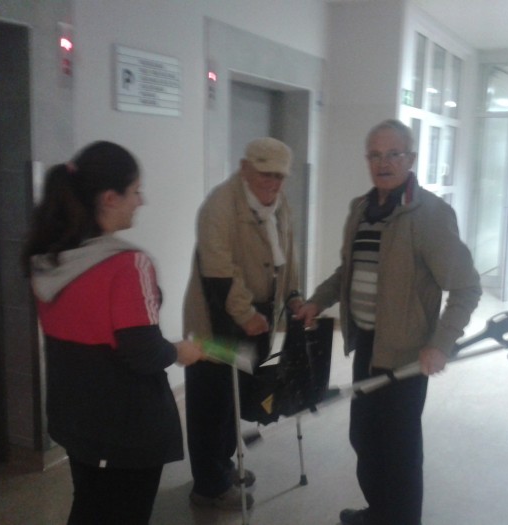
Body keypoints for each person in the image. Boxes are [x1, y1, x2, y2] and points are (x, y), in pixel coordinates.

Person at [296, 120, 482, 525]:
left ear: (410, 159)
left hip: (406, 354)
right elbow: (348, 271)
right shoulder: (361, 210)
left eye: (393, 154)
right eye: (375, 155)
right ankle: (379, 513)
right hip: (367, 344)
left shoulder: (430, 215)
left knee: (398, 451)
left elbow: (466, 287)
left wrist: (440, 343)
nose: (384, 163)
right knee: (365, 437)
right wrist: (317, 301)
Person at [22, 141, 203, 524]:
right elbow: (144, 352)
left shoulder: (50, 259)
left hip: (76, 419)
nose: (141, 201)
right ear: (109, 198)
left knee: (90, 505)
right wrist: (180, 351)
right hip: (126, 428)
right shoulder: (127, 265)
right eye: (135, 191)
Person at [183, 137, 303, 510]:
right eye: (266, 174)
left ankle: (222, 467)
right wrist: (246, 314)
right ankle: (209, 487)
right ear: (244, 167)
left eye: (280, 176)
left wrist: (293, 294)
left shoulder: (279, 204)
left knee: (234, 397)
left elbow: (289, 254)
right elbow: (219, 271)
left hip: (255, 319)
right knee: (211, 401)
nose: (273, 183)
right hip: (215, 318)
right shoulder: (219, 205)